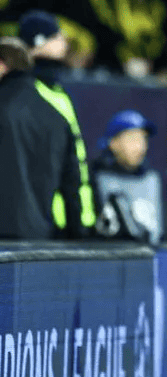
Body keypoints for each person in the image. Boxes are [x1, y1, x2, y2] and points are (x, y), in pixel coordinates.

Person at [18, 10, 96, 235]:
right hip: (44, 221)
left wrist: (82, 217)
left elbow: (74, 160)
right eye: (56, 36)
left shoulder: (58, 92)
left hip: (66, 220)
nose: (64, 41)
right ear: (38, 42)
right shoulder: (27, 93)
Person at [0, 36, 86, 240]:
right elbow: (73, 182)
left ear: (2, 65)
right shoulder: (57, 117)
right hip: (41, 237)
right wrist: (77, 234)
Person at [92, 110, 164, 245]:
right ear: (113, 143)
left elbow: (160, 231)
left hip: (150, 254)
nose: (140, 147)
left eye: (143, 139)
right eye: (132, 139)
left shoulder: (152, 179)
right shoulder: (96, 179)